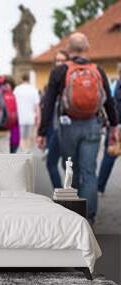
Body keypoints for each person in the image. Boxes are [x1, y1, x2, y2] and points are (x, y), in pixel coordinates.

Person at [37, 33, 119, 224]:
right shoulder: (98, 70)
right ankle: (89, 217)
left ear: (69, 50)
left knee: (70, 170)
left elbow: (48, 103)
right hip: (92, 125)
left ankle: (74, 215)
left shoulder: (60, 71)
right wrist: (114, 126)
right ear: (87, 48)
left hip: (68, 127)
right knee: (89, 172)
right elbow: (109, 102)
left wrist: (42, 132)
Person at [44, 50, 69, 189]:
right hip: (56, 128)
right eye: (57, 61)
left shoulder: (64, 81)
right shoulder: (54, 79)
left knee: (53, 163)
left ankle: (62, 194)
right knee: (65, 164)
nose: (59, 63)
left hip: (62, 129)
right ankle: (68, 193)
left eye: (62, 60)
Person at [97, 67, 121, 195]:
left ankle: (100, 188)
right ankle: (99, 187)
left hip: (115, 126)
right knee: (109, 157)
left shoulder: (114, 85)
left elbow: (108, 105)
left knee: (108, 157)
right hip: (116, 127)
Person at [13, 73, 40, 152]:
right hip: (31, 118)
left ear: (22, 79)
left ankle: (23, 151)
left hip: (19, 118)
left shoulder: (17, 89)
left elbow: (13, 103)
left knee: (21, 137)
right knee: (29, 137)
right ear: (29, 79)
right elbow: (37, 107)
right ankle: (27, 151)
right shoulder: (34, 90)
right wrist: (38, 119)